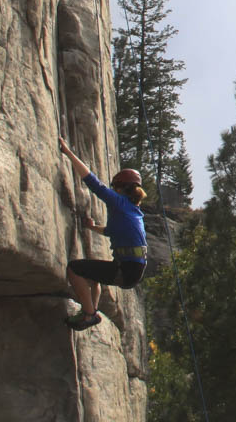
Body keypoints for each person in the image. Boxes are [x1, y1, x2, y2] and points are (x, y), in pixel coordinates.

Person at [58, 136, 147, 330]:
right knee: (92, 278)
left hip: (126, 269)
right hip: (133, 270)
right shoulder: (134, 211)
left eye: (115, 187)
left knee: (74, 269)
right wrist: (92, 227)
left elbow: (93, 183)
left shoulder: (119, 202)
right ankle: (90, 310)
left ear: (121, 188)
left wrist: (68, 152)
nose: (113, 190)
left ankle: (90, 313)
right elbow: (110, 232)